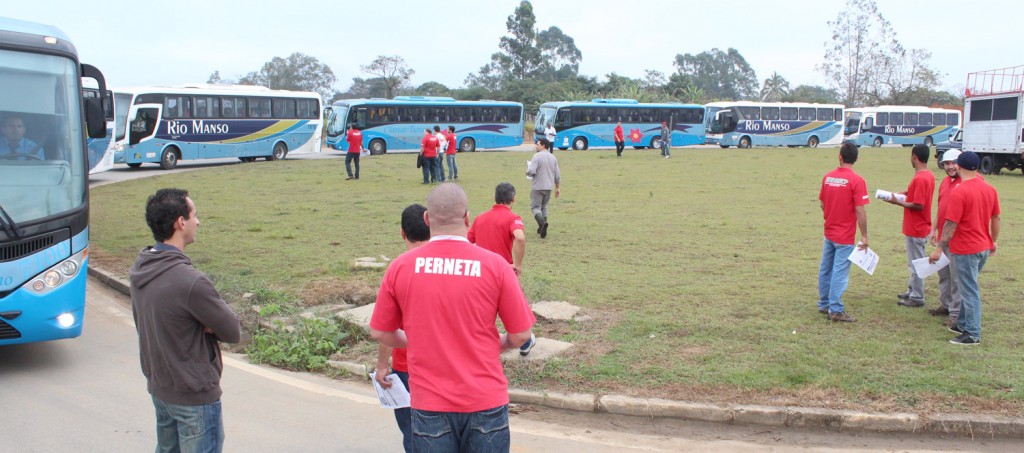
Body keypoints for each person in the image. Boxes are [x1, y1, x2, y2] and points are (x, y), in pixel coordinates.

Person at [370, 183, 536, 452]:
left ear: (427, 219)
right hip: (486, 400)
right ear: (467, 218)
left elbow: (380, 332)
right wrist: (498, 343)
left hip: (429, 403)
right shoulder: (496, 266)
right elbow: (521, 335)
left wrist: (412, 340)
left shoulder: (400, 267)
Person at [130, 188, 241, 453]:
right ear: (181, 222)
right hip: (194, 396)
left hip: (161, 388)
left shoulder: (141, 268)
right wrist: (206, 324)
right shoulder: (190, 282)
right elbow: (233, 331)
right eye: (195, 215)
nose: (198, 222)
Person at [928, 151, 1000, 345]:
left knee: (969, 290)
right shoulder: (989, 188)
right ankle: (962, 323)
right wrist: (993, 240)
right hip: (982, 247)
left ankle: (973, 333)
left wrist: (939, 249)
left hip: (966, 248)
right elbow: (996, 217)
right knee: (967, 286)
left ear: (959, 166)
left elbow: (951, 224)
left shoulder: (960, 190)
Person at [374, 203, 429, 453]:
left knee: (413, 434)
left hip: (408, 368)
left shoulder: (398, 269)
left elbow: (387, 327)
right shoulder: (449, 265)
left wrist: (382, 365)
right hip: (446, 367)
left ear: (402, 233)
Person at [817, 142, 869, 323]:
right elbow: (860, 210)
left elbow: (822, 203)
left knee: (826, 268)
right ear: (856, 158)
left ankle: (824, 303)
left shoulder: (828, 177)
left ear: (840, 156)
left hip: (829, 231)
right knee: (840, 272)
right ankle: (836, 309)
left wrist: (830, 216)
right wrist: (864, 235)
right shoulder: (857, 180)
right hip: (845, 235)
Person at [885, 144, 934, 308]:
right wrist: (905, 193)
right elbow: (919, 195)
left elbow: (918, 204)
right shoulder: (927, 175)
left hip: (917, 227)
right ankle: (912, 289)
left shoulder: (920, 178)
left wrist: (897, 201)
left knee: (916, 263)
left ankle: (917, 296)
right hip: (918, 226)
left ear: (914, 157)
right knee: (914, 261)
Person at [928, 149, 963, 327]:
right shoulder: (944, 183)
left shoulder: (965, 183)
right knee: (944, 274)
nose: (950, 167)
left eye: (953, 163)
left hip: (957, 239)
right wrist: (934, 228)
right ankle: (946, 304)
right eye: (946, 163)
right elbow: (941, 207)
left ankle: (956, 314)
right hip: (943, 237)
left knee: (956, 277)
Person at [468, 182, 526, 277]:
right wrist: (518, 265)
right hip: (502, 269)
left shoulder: (479, 218)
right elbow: (520, 238)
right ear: (513, 199)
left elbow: (468, 241)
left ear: (495, 198)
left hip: (481, 270)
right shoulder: (513, 218)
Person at [526, 138, 561, 239]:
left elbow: (532, 171)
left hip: (537, 187)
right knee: (543, 207)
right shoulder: (553, 157)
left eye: (538, 144)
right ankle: (542, 227)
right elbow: (557, 175)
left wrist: (527, 171)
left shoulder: (537, 156)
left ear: (543, 146)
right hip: (548, 187)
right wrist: (557, 188)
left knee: (535, 208)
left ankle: (542, 223)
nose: (536, 146)